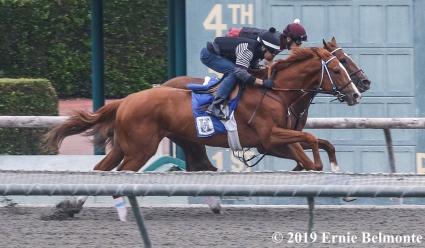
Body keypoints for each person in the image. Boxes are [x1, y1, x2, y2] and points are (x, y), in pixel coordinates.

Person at [200, 27, 281, 120]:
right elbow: (240, 73)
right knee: (234, 72)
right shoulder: (248, 51)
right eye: (274, 53)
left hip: (220, 56)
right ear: (264, 48)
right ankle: (215, 106)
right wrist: (262, 82)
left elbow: (252, 69)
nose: (274, 56)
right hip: (209, 55)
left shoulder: (257, 52)